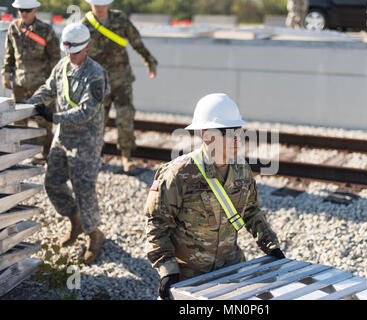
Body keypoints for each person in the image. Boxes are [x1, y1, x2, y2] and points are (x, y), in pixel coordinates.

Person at [145, 93, 285, 300]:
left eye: (238, 130)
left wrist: (272, 248)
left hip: (231, 271)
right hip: (188, 277)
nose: (237, 137)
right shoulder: (179, 174)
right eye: (227, 132)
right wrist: (168, 272)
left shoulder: (241, 170)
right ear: (206, 135)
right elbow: (157, 224)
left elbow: (251, 212)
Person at [26, 23, 110, 264]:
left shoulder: (96, 74)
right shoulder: (63, 65)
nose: (70, 56)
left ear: (87, 48)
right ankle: (76, 221)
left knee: (84, 189)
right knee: (51, 182)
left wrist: (53, 117)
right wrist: (29, 104)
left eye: (75, 52)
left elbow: (87, 111)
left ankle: (95, 234)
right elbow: (49, 88)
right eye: (67, 51)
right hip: (63, 138)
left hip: (86, 141)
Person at [81, 0, 158, 172]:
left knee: (125, 118)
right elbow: (78, 53)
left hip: (121, 80)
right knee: (97, 121)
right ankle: (94, 158)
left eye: (102, 3)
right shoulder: (84, 25)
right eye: (96, 4)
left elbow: (136, 41)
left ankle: (126, 157)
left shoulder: (120, 19)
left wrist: (150, 61)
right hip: (97, 82)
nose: (99, 7)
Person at [1, 0, 60, 160]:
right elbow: (10, 55)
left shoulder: (45, 30)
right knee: (19, 121)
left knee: (43, 121)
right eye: (20, 10)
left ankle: (46, 154)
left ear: (35, 10)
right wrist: (6, 73)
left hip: (41, 85)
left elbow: (55, 58)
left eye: (27, 10)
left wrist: (53, 83)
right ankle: (20, 154)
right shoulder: (14, 28)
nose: (23, 13)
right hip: (20, 84)